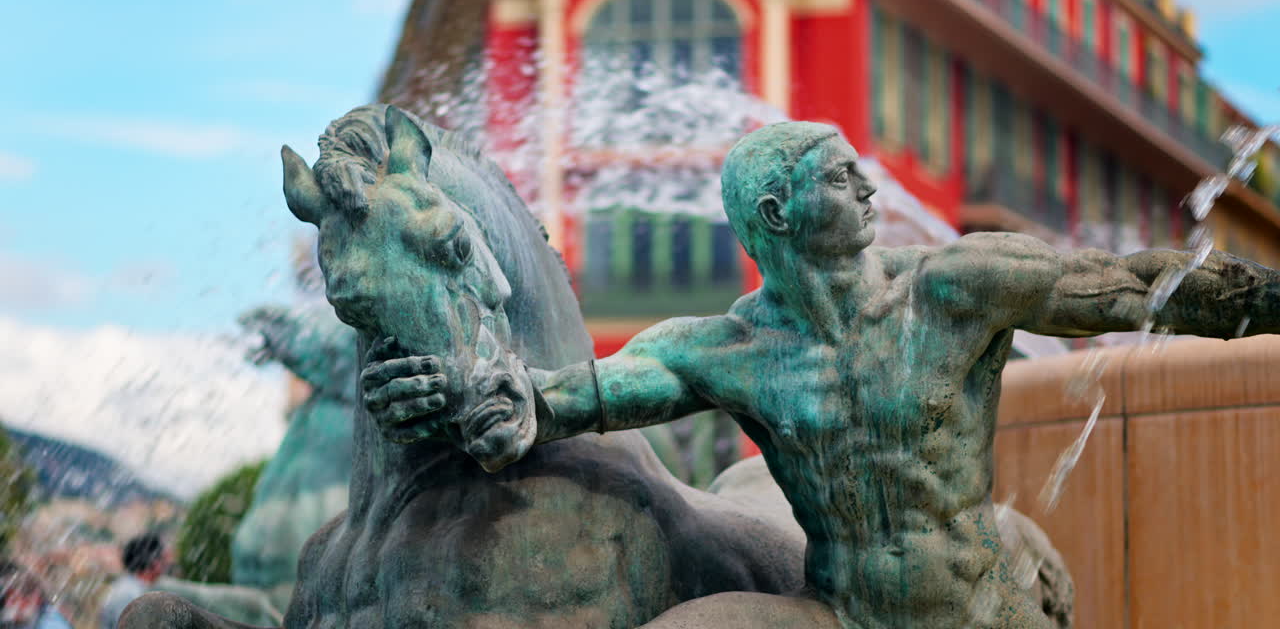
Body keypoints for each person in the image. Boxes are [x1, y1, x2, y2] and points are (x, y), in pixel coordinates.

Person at [365, 121, 1280, 628]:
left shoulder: (957, 287)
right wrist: (460, 399)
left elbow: (1132, 286)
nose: (872, 189)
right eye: (844, 178)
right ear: (779, 210)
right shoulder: (722, 347)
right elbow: (577, 397)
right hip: (838, 614)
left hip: (969, 614)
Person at [99, 534, 169, 629]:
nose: (167, 562)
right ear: (154, 562)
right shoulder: (129, 595)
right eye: (163, 558)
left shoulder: (133, 588)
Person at [0, 561, 71, 629]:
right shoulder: (19, 619)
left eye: (13, 599)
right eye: (7, 597)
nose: (8, 604)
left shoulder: (51, 623)